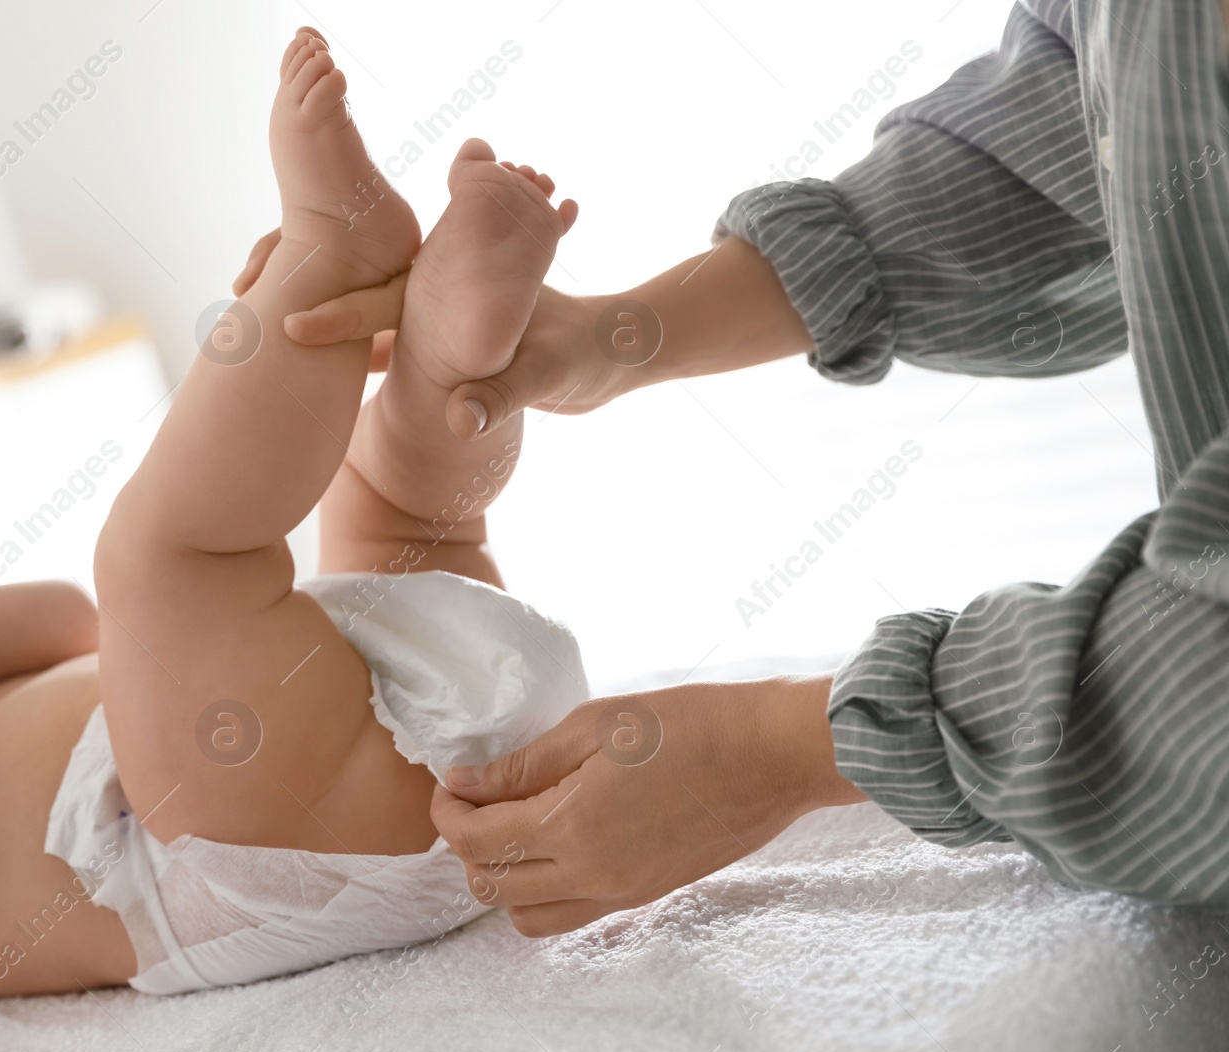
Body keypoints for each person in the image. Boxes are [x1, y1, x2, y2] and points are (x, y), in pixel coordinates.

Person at [0, 28, 602, 1004]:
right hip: (229, 852)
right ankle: (326, 256)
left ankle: (453, 352)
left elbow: (66, 623)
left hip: (394, 758)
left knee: (397, 516)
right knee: (159, 556)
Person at [258, 0, 1229, 935]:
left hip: (181, 821)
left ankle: (353, 295)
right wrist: (616, 333)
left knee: (223, 552)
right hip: (349, 769)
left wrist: (770, 749)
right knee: (387, 525)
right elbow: (1085, 113)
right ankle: (415, 343)